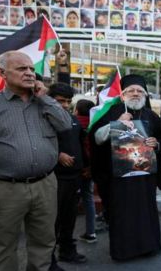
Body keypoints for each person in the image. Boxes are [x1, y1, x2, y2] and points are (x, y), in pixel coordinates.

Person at [0, 51, 71, 271]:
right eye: (22, 69)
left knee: (43, 245)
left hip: (45, 185)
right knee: (2, 250)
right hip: (5, 189)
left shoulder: (45, 103)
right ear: (2, 72)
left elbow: (65, 126)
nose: (29, 73)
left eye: (32, 69)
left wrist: (45, 98)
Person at [88, 75, 161, 260]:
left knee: (146, 211)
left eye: (140, 91)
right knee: (122, 213)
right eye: (131, 90)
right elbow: (97, 138)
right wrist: (117, 124)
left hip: (145, 177)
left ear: (145, 96)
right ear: (122, 95)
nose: (136, 94)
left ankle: (149, 247)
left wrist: (157, 144)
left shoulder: (151, 116)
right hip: (119, 178)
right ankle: (124, 251)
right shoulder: (112, 112)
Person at [47, 83, 88, 266]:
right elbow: (36, 145)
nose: (65, 105)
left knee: (69, 218)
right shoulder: (44, 119)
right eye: (60, 101)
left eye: (68, 101)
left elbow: (81, 144)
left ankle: (67, 251)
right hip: (55, 179)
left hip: (75, 178)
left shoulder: (73, 119)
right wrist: (57, 155)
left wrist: (86, 166)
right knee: (52, 222)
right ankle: (48, 259)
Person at [72, 99, 99, 244]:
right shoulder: (95, 124)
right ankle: (91, 232)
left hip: (71, 168)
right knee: (88, 199)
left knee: (68, 201)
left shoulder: (70, 122)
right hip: (89, 169)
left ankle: (63, 236)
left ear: (76, 110)